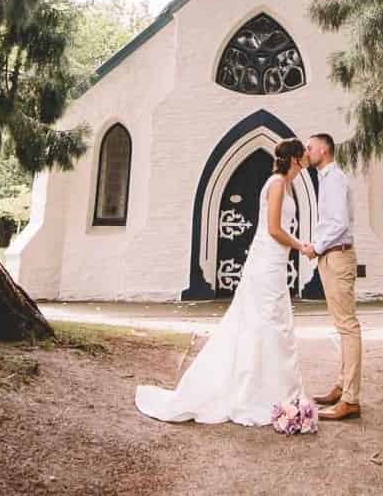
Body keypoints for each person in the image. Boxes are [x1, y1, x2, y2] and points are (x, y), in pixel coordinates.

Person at [134, 137, 316, 425]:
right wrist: (301, 246)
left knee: (272, 324)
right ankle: (252, 393)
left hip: (275, 262)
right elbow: (272, 229)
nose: (308, 154)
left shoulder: (288, 184)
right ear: (295, 158)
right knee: (264, 322)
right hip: (267, 261)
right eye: (304, 151)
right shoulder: (278, 184)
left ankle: (274, 391)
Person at [306, 132, 362, 421]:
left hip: (338, 255)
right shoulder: (325, 179)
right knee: (342, 326)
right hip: (330, 255)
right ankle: (342, 387)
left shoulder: (335, 179)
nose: (307, 152)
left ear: (324, 149)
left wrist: (315, 247)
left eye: (310, 147)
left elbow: (339, 223)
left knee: (348, 326)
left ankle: (350, 399)